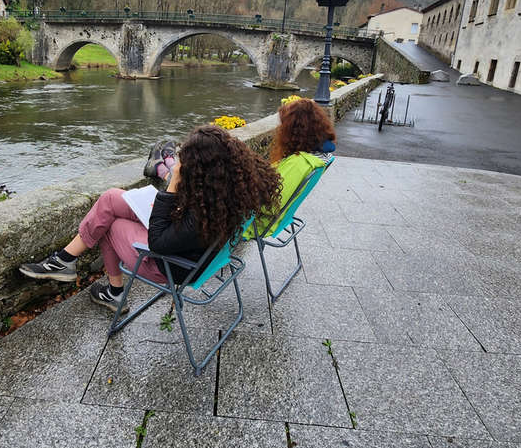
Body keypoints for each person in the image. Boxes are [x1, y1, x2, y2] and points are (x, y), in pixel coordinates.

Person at [20, 125, 281, 312]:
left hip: (172, 266)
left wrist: (172, 185)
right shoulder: (228, 192)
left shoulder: (205, 213)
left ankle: (110, 290)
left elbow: (157, 243)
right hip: (192, 252)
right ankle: (65, 260)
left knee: (110, 225)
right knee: (111, 198)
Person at [250, 98, 337, 236]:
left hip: (254, 224)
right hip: (272, 219)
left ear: (294, 131)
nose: (280, 130)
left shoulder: (299, 163)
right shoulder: (317, 157)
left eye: (283, 126)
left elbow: (272, 205)